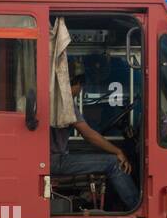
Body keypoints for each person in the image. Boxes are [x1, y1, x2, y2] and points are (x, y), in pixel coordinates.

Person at [51, 72, 138, 210]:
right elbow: (88, 135)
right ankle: (137, 207)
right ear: (76, 84)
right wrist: (118, 151)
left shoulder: (54, 98)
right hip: (55, 160)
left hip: (51, 158)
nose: (80, 90)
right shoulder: (65, 102)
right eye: (81, 86)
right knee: (114, 163)